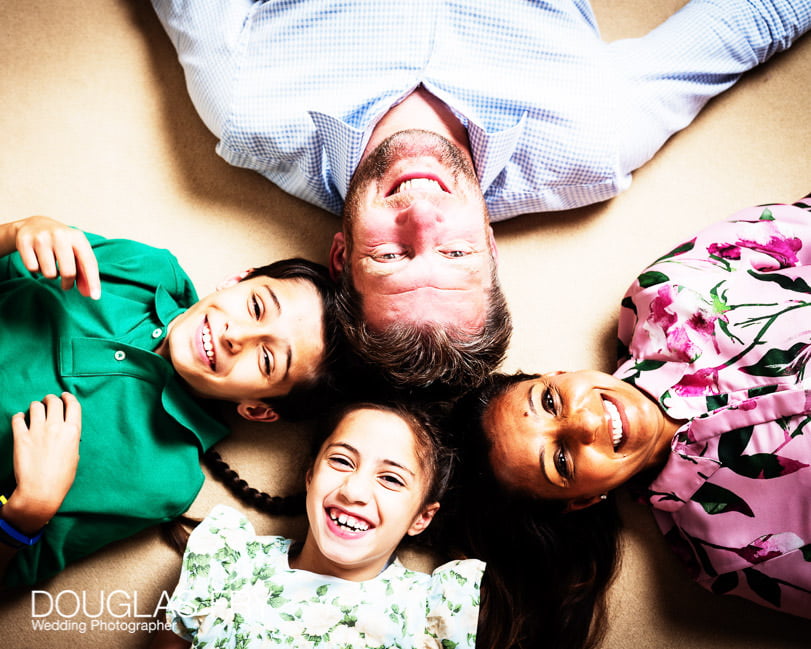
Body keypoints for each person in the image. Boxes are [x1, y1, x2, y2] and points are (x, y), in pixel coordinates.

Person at [150, 0, 810, 391]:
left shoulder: (249, 108)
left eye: (392, 257)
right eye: (456, 251)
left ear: (341, 253)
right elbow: (751, 20)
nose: (423, 214)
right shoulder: (590, 140)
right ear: (490, 245)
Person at [461, 196, 811, 639]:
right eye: (561, 462)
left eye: (550, 401)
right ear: (584, 500)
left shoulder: (669, 290)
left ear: (560, 374)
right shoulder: (727, 553)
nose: (585, 424)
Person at [0, 215, 340, 588]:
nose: (237, 336)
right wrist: (15, 233)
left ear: (257, 409)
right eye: (256, 307)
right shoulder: (148, 269)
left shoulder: (163, 481)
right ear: (237, 280)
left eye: (266, 360)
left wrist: (32, 507)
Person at [150, 402, 485, 649]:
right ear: (310, 477)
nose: (353, 491)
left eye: (391, 479)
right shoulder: (227, 564)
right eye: (341, 461)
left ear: (421, 517)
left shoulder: (433, 613)